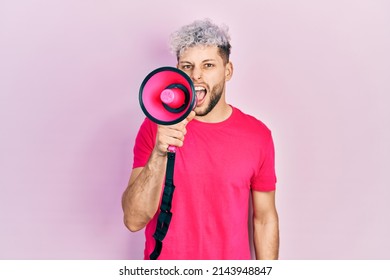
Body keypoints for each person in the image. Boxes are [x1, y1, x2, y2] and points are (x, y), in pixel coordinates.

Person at [122, 19, 279, 260]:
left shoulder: (258, 135)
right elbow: (133, 220)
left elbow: (265, 218)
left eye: (208, 65)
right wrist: (160, 152)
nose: (196, 75)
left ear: (227, 71)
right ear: (177, 70)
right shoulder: (156, 127)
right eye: (187, 66)